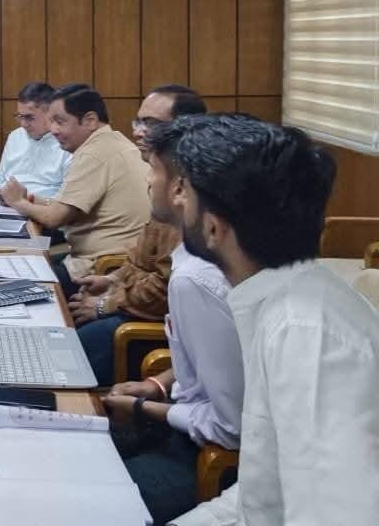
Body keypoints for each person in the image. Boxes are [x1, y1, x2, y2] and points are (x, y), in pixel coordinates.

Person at [157, 114, 379, 525]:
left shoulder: (305, 333)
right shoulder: (279, 301)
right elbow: (261, 496)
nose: (175, 199)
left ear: (213, 227)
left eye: (185, 191)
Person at [98, 111, 243, 524]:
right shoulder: (196, 262)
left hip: (205, 457)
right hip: (186, 424)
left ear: (180, 188)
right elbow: (219, 362)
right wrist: (157, 385)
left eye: (153, 170)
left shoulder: (198, 279)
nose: (147, 181)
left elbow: (230, 428)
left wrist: (144, 408)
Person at [70, 85, 208, 383]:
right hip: (136, 301)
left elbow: (164, 289)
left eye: (151, 124)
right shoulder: (163, 177)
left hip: (154, 325)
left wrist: (106, 305)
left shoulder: (189, 194)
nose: (138, 132)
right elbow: (141, 257)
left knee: (77, 347)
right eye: (138, 121)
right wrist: (111, 280)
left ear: (184, 129)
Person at [0, 84, 149, 296]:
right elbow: (67, 205)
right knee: (23, 264)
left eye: (60, 122)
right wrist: (30, 198)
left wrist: (18, 203)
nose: (53, 130)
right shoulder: (112, 141)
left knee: (13, 285)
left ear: (90, 120)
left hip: (103, 268)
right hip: (109, 260)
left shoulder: (94, 154)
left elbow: (54, 218)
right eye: (51, 121)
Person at [0, 82, 72, 200]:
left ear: (51, 114)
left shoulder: (68, 142)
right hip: (3, 204)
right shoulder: (16, 136)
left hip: (41, 208)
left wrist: (23, 200)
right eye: (20, 116)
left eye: (29, 117)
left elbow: (67, 199)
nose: (23, 124)